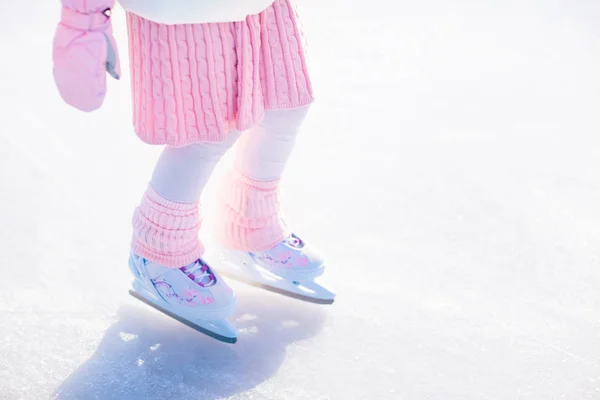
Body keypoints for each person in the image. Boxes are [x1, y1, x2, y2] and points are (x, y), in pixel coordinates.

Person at [52, 0, 335, 343]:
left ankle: (248, 223)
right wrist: (82, 24)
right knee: (206, 128)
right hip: (188, 9)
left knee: (287, 104)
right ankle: (158, 251)